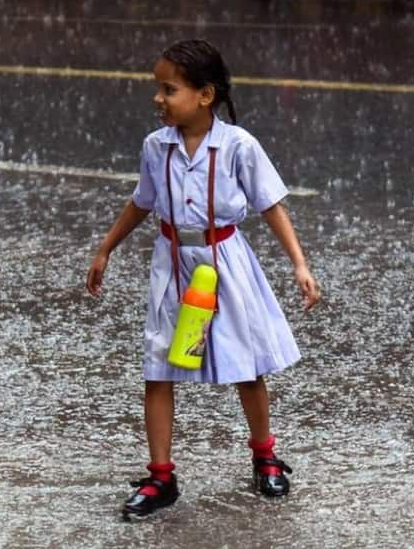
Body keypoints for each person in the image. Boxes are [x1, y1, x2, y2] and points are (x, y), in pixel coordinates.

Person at [86, 39, 320, 520]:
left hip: (224, 262)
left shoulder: (238, 145)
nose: (159, 98)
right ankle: (161, 477)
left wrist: (299, 263)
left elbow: (270, 204)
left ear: (205, 96)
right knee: (159, 365)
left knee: (246, 363)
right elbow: (142, 201)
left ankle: (265, 455)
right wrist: (107, 247)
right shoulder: (156, 146)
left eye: (169, 89)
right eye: (158, 88)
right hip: (171, 263)